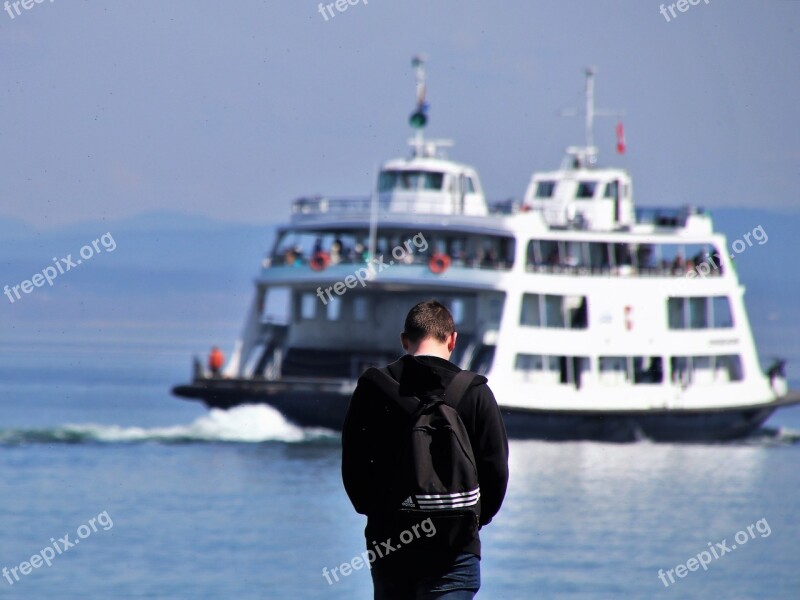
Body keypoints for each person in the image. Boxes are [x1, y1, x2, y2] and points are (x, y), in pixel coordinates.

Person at [342, 300, 509, 599]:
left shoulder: (372, 388)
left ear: (405, 341)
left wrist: (380, 514)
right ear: (453, 340)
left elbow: (354, 469)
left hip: (390, 546)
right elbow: (496, 471)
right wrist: (472, 519)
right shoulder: (476, 393)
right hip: (456, 548)